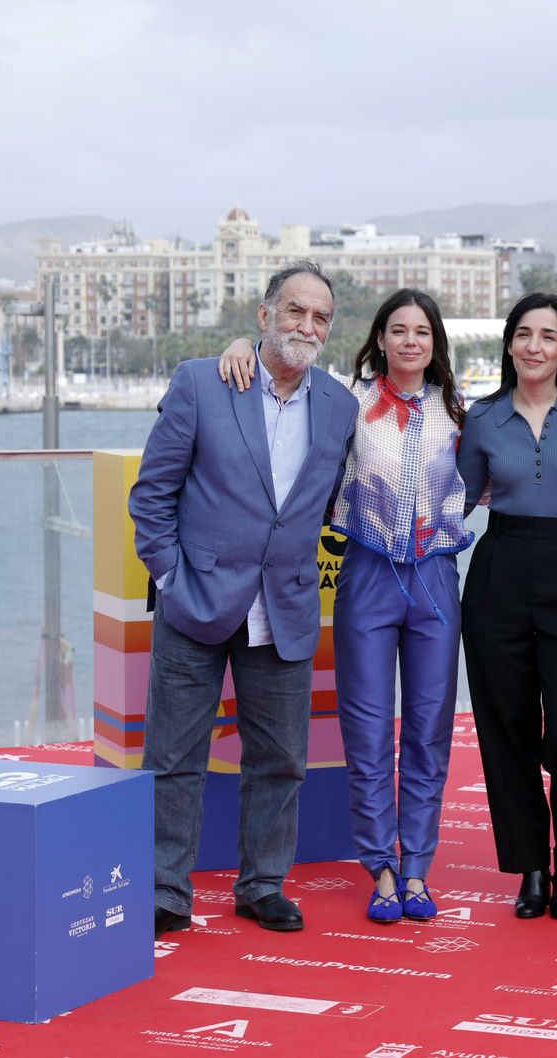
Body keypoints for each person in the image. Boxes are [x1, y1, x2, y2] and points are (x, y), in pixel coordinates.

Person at [220, 288, 471, 924]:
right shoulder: (345, 404)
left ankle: (417, 866)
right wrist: (237, 349)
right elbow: (279, 396)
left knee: (428, 730)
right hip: (367, 575)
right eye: (398, 330)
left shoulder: (463, 411)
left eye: (422, 331)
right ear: (379, 339)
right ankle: (380, 868)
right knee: (365, 730)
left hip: (437, 580)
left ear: (435, 341)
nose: (411, 341)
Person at [130, 261, 359, 939]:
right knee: (173, 756)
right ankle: (165, 889)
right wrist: (170, 577)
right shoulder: (204, 382)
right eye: (294, 311)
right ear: (264, 317)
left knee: (280, 759)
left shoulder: (340, 406)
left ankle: (262, 885)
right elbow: (153, 494)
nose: (306, 326)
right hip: (194, 602)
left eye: (319, 316)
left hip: (283, 606)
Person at [457, 293, 557, 921]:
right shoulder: (482, 417)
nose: (534, 346)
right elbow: (456, 500)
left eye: (548, 336)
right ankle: (534, 869)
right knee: (506, 729)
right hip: (498, 573)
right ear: (509, 345)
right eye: (523, 334)